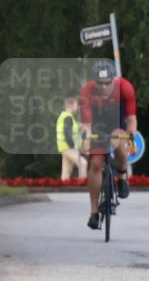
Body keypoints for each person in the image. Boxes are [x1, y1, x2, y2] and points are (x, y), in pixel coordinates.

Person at [78, 60, 138, 231]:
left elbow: (132, 119)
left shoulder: (125, 87)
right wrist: (86, 139)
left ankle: (122, 173)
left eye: (107, 83)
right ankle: (94, 213)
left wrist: (131, 138)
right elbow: (87, 125)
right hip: (97, 122)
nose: (103, 87)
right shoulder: (87, 92)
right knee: (96, 163)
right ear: (93, 82)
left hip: (117, 119)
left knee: (118, 142)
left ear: (114, 79)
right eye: (99, 84)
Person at [56, 97, 86, 180]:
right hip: (68, 147)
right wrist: (73, 146)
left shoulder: (64, 116)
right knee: (83, 164)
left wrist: (80, 129)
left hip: (64, 147)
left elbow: (72, 131)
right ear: (71, 105)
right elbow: (67, 133)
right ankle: (82, 186)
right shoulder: (68, 117)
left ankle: (61, 190)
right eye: (76, 105)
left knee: (66, 172)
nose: (77, 107)